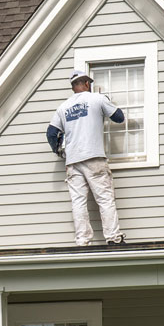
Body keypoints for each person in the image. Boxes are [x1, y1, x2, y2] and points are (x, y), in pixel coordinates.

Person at [46, 69, 127, 247]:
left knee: (78, 202)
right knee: (104, 198)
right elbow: (119, 117)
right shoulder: (96, 99)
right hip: (94, 157)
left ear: (73, 87)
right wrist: (106, 102)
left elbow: (51, 133)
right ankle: (113, 237)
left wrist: (59, 151)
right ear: (87, 84)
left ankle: (82, 241)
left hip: (73, 161)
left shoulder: (63, 107)